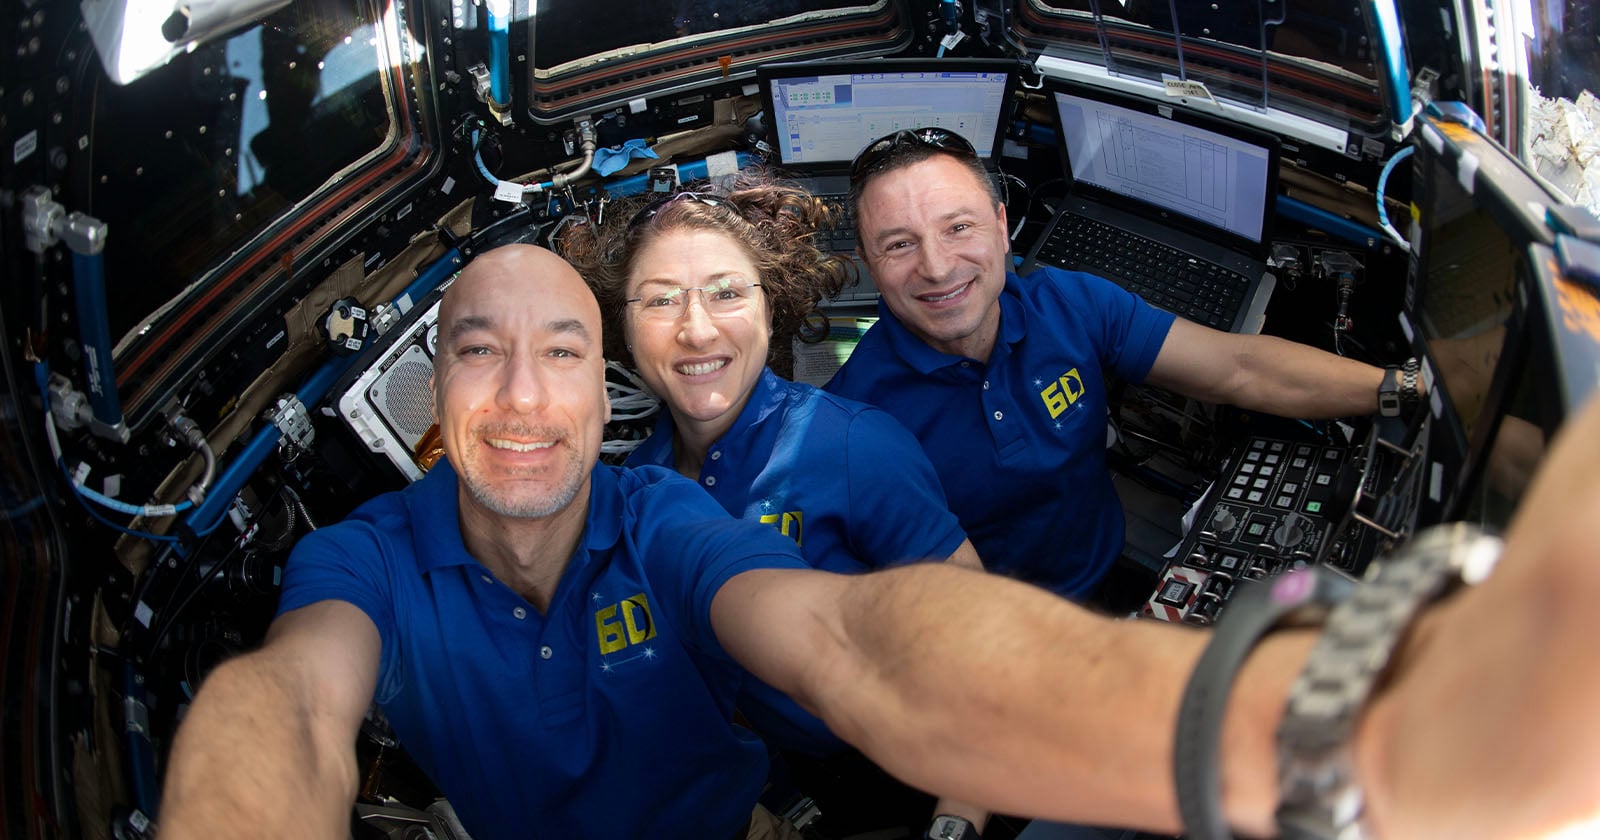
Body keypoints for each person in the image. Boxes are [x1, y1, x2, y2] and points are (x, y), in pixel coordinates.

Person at [157, 243, 1600, 840]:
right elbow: (276, 703)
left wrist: (1342, 732)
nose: (524, 398)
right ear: (432, 398)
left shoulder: (666, 516)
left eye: (560, 352)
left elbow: (868, 645)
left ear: (603, 394)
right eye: (481, 355)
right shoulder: (364, 558)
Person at [558, 178, 990, 835]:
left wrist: (956, 821)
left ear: (771, 305)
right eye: (660, 301)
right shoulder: (637, 485)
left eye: (727, 293)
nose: (696, 329)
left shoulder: (852, 446)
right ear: (619, 322)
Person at [825, 127, 1409, 606]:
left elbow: (1242, 366)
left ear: (1003, 229)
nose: (937, 265)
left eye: (959, 227)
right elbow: (962, 611)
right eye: (899, 244)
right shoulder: (857, 423)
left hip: (1110, 570)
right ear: (868, 265)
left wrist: (1401, 390)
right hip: (1015, 638)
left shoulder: (1070, 302)